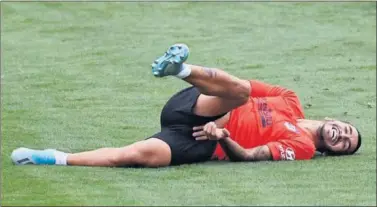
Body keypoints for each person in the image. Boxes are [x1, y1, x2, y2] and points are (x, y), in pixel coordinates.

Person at [11, 43, 362, 167]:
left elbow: (250, 157)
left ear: (333, 151)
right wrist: (218, 120)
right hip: (200, 106)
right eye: (346, 130)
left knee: (136, 156)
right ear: (335, 119)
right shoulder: (289, 100)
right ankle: (180, 68)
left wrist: (221, 137)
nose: (342, 136)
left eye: (345, 144)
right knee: (240, 92)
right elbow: (239, 86)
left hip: (202, 142)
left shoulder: (301, 147)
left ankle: (52, 157)